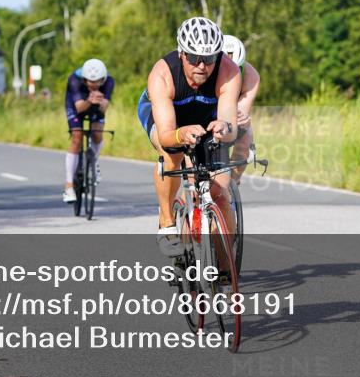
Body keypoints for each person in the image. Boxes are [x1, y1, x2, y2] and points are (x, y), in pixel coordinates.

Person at [137, 17, 241, 256]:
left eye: (209, 59)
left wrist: (224, 129)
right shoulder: (163, 74)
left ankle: (225, 275)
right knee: (171, 153)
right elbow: (165, 135)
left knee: (220, 194)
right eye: (194, 58)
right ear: (182, 53)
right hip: (167, 119)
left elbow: (231, 125)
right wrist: (180, 134)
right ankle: (166, 221)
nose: (202, 66)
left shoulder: (229, 71)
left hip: (205, 116)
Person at [62, 58, 113, 203]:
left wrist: (101, 102)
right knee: (77, 138)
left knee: (97, 134)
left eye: (98, 83)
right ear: (84, 80)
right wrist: (90, 100)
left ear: (103, 80)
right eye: (91, 83)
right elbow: (79, 108)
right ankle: (69, 186)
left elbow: (104, 108)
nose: (94, 86)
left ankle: (93, 161)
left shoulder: (109, 81)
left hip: (95, 106)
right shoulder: (74, 80)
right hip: (76, 105)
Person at [222, 34, 260, 182]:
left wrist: (241, 121)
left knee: (245, 142)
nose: (231, 75)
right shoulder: (205, 71)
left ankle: (232, 185)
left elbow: (240, 113)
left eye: (237, 69)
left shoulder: (251, 76)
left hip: (229, 114)